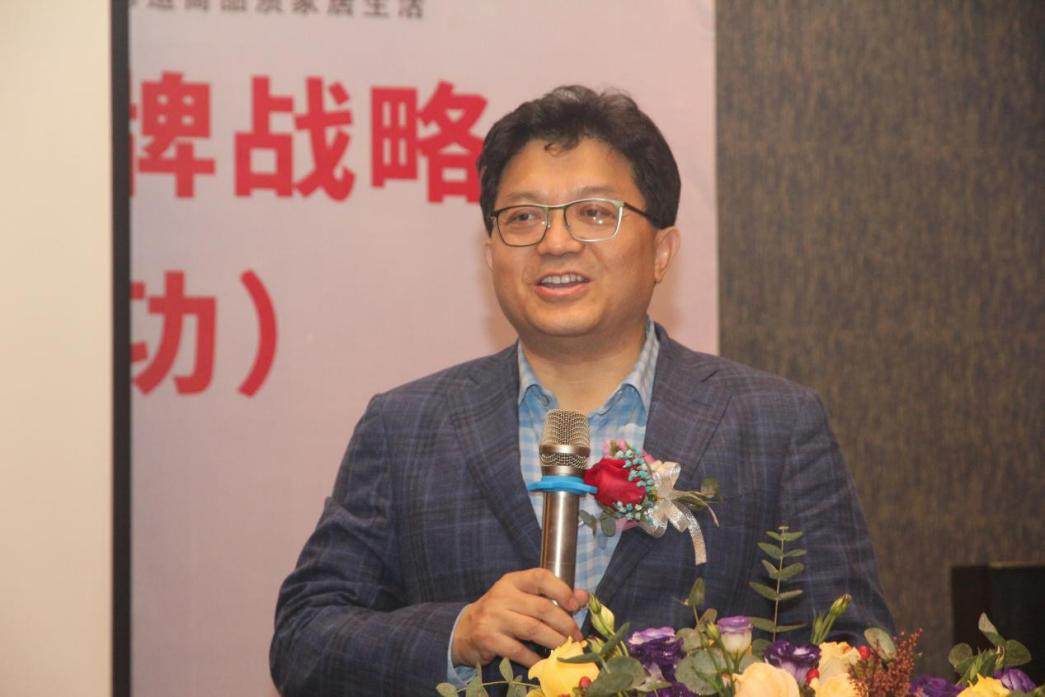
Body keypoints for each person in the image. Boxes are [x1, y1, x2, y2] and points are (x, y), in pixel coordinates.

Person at [270, 85, 894, 697]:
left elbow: (857, 661)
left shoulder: (774, 424)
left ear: (662, 251)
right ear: (490, 254)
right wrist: (458, 634)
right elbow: (303, 639)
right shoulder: (405, 427)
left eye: (594, 213)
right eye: (523, 218)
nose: (556, 242)